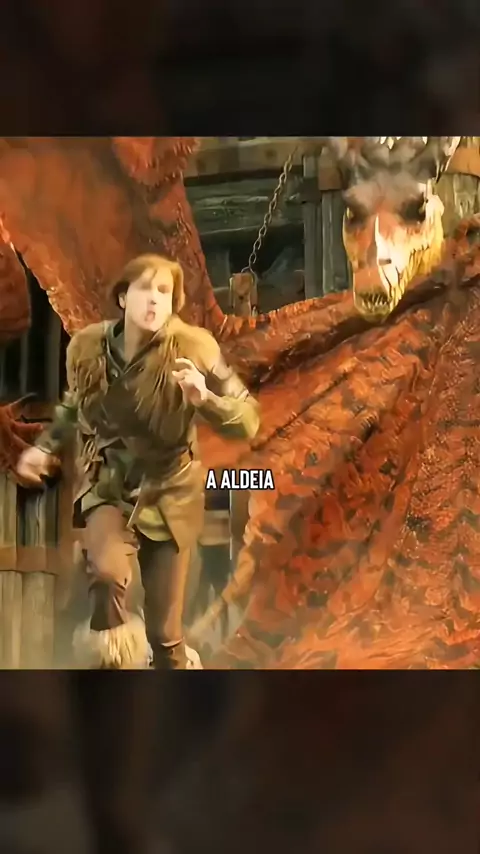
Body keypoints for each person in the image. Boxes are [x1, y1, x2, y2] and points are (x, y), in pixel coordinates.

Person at [16, 253, 260, 670]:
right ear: (123, 298)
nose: (154, 300)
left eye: (164, 292)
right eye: (145, 288)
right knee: (107, 577)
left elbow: (247, 417)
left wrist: (206, 398)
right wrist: (44, 447)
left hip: (171, 492)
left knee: (165, 636)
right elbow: (74, 406)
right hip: (109, 486)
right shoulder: (87, 349)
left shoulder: (195, 348)